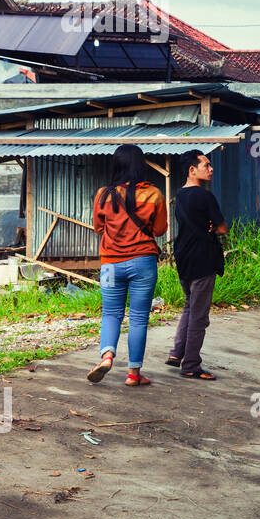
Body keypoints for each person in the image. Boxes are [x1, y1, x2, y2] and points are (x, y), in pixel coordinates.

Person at [88, 144, 167, 387]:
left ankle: (107, 356)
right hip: (143, 262)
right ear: (140, 165)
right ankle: (134, 374)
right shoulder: (154, 194)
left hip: (111, 264)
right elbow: (159, 230)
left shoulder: (104, 194)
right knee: (139, 318)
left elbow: (98, 228)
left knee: (111, 314)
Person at [166, 149, 227, 381]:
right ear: (192, 170)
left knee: (190, 307)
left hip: (183, 256)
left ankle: (177, 353)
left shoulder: (180, 194)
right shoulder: (205, 196)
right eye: (207, 165)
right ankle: (191, 365)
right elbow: (222, 228)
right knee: (199, 315)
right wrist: (213, 227)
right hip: (203, 258)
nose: (211, 169)